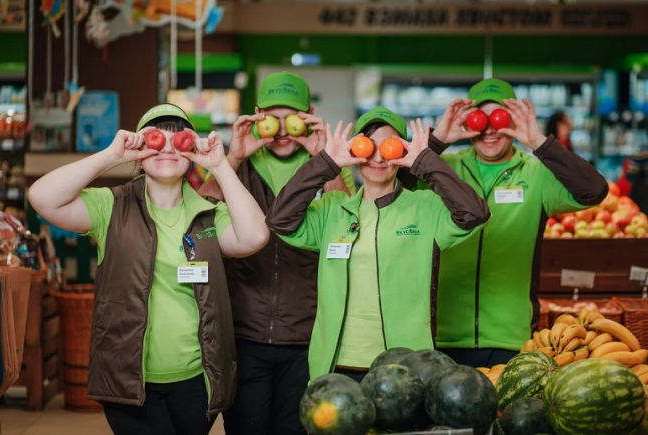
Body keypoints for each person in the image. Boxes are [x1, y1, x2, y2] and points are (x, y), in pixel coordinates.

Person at [27, 103, 269, 435]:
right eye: (156, 139)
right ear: (140, 151)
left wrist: (220, 166)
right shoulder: (111, 206)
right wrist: (113, 155)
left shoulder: (209, 215)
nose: (168, 148)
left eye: (180, 141)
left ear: (191, 152)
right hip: (128, 382)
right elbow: (41, 198)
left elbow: (255, 236)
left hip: (198, 381)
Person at [266, 107, 490, 383]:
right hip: (335, 365)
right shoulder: (332, 210)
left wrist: (425, 161)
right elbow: (279, 219)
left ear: (403, 152)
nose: (379, 156)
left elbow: (475, 214)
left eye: (390, 146)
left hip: (406, 369)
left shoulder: (425, 207)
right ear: (356, 151)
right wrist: (327, 163)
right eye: (369, 145)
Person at [197, 71, 354, 435]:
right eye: (272, 119)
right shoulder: (240, 166)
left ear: (310, 115)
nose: (282, 130)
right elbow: (198, 223)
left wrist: (324, 159)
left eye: (293, 119)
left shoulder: (323, 167)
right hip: (244, 334)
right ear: (256, 115)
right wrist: (232, 159)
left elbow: (346, 224)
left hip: (307, 336)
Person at [421, 78, 608, 367]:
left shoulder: (537, 174)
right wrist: (438, 140)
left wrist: (538, 142)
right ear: (467, 122)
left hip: (513, 338)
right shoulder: (444, 169)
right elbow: (396, 187)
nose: (490, 129)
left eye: (500, 117)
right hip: (441, 335)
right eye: (480, 118)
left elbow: (593, 190)